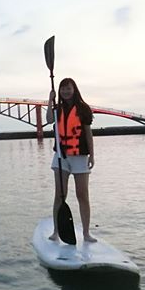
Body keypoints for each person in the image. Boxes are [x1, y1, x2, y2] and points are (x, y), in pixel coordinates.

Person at [46, 77, 96, 242]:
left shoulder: (83, 109)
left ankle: (86, 233)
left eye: (68, 88)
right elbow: (49, 120)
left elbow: (88, 134)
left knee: (82, 195)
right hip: (61, 157)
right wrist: (50, 100)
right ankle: (56, 231)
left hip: (80, 157)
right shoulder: (56, 109)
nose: (66, 92)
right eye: (63, 89)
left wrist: (92, 155)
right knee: (60, 195)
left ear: (74, 89)